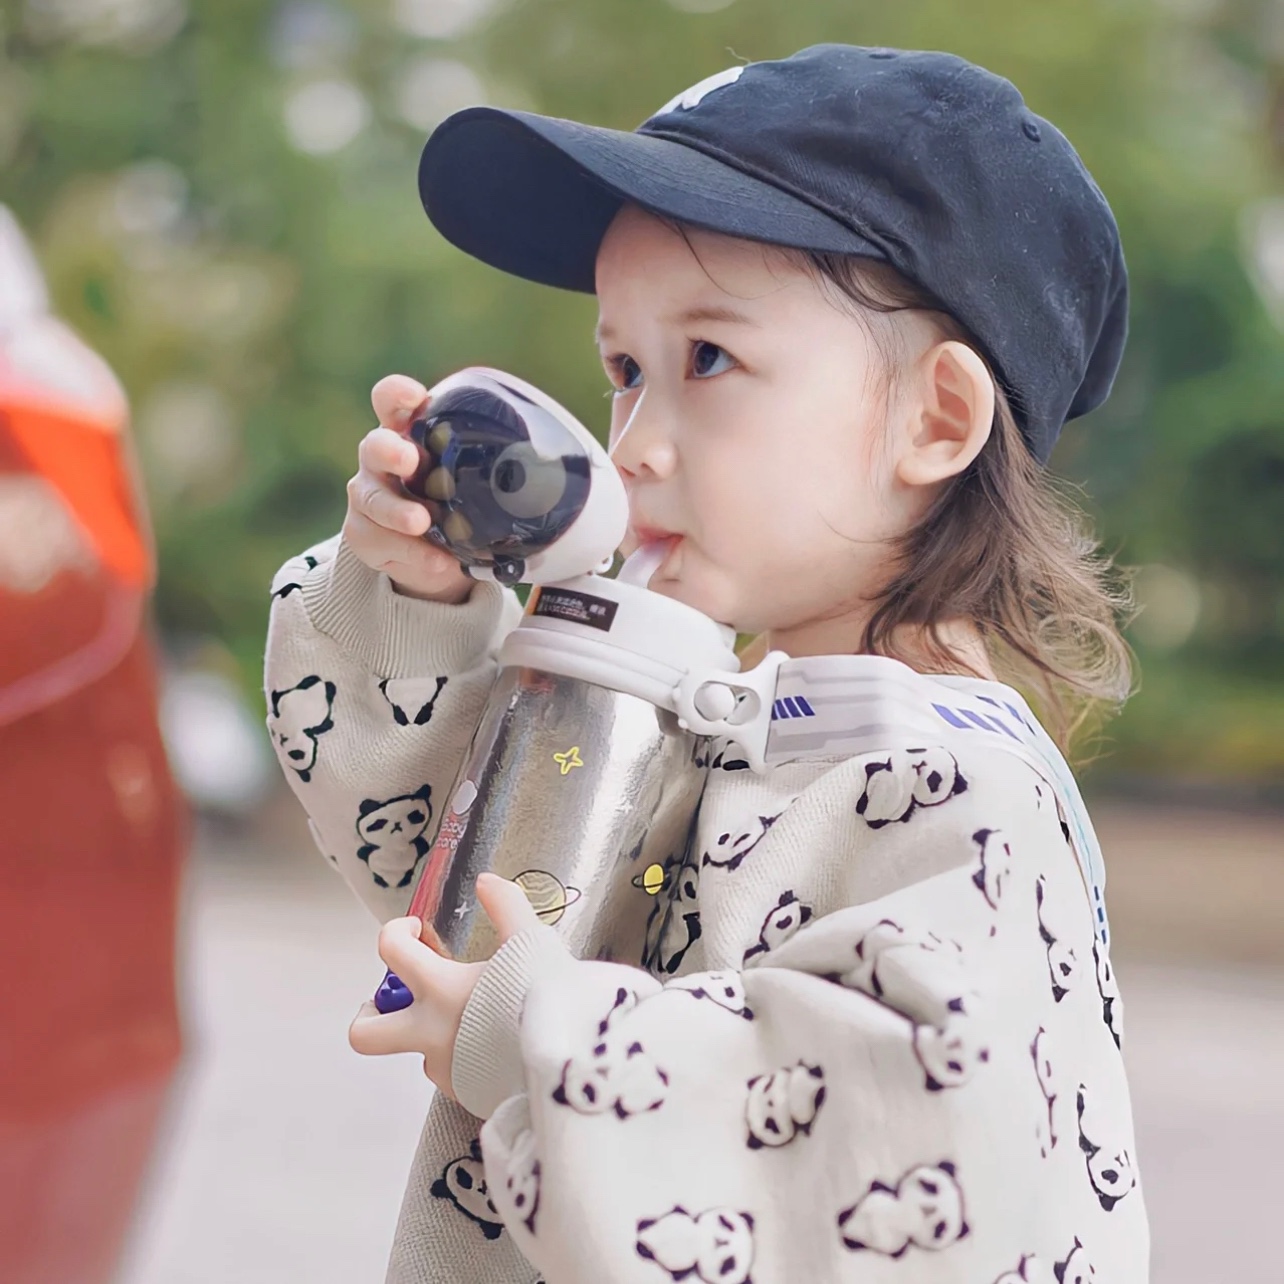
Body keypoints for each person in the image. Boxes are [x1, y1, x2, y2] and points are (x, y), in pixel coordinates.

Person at [264, 45, 1147, 1283]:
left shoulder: (963, 794)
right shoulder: (681, 717)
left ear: (938, 420)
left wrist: (538, 1035)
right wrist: (417, 604)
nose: (631, 444)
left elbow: (897, 1144)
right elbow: (438, 865)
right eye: (625, 369)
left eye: (710, 361)